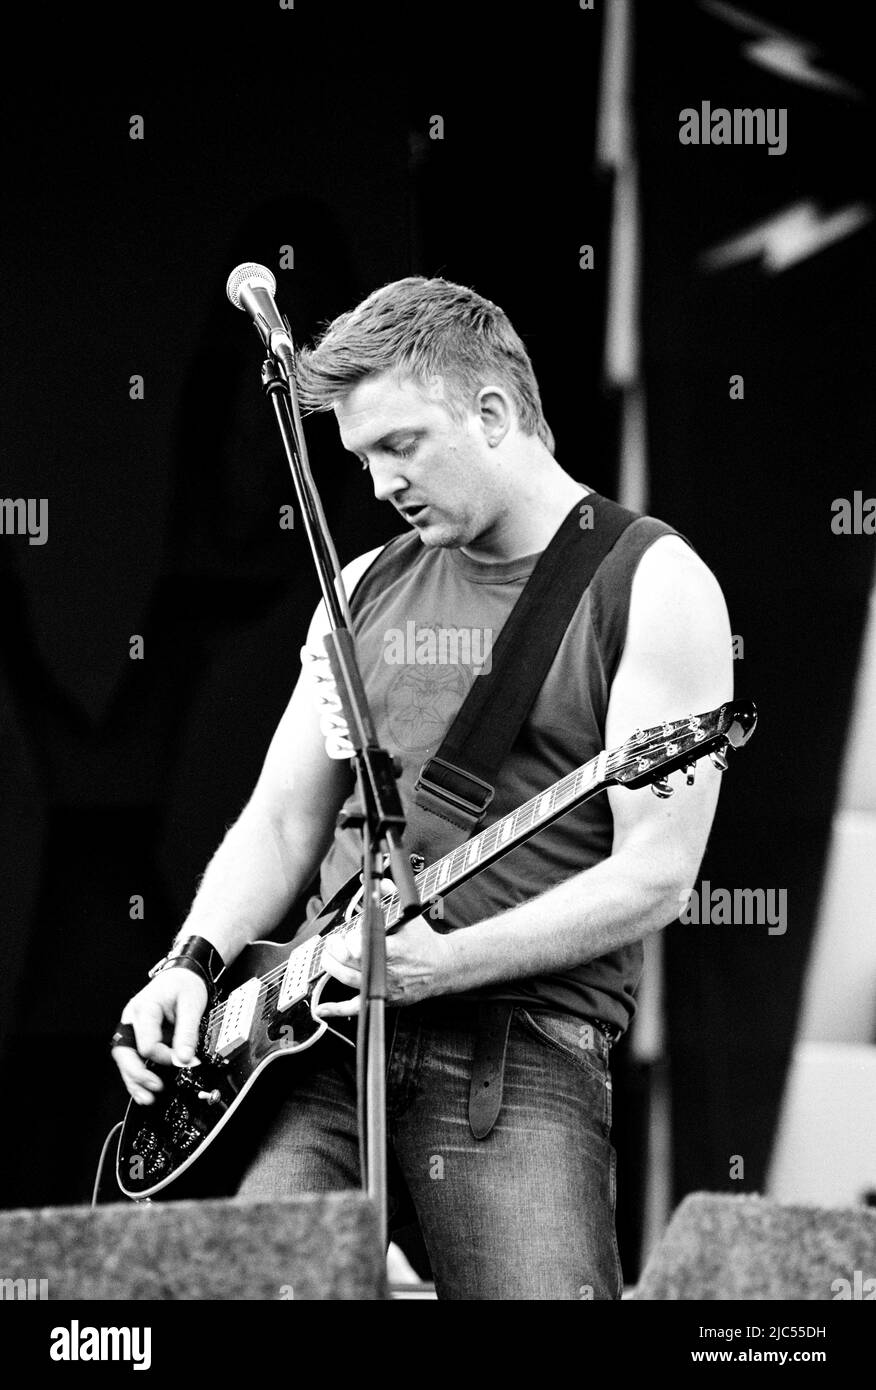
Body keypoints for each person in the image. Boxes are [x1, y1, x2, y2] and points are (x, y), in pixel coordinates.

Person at [112, 277, 732, 1299]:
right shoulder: (363, 584)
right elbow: (281, 824)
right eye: (359, 459)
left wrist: (448, 964)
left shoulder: (655, 584)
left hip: (515, 1055)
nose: (378, 482)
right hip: (312, 1046)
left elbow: (657, 876)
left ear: (492, 413)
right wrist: (190, 959)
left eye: (400, 444)